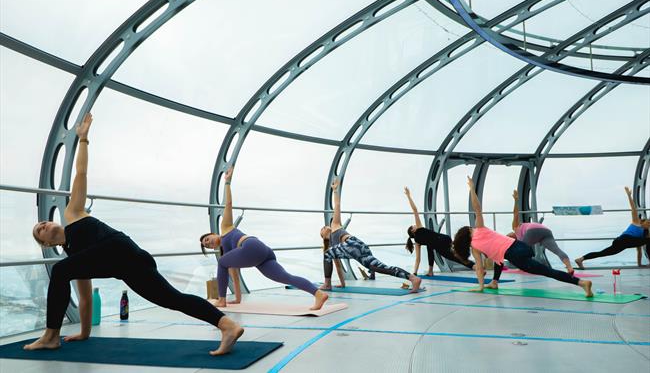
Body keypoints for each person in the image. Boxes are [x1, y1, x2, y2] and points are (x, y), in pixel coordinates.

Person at [27, 113, 243, 355]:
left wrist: (84, 139)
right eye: (39, 230)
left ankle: (50, 336)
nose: (44, 224)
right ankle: (228, 326)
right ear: (45, 243)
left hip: (121, 249)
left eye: (44, 222)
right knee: (173, 299)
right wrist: (85, 333)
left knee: (60, 270)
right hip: (131, 267)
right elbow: (85, 299)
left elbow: (81, 174)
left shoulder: (73, 213)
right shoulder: (75, 260)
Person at [200, 167, 329, 311]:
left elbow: (228, 205)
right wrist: (237, 298)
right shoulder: (228, 255)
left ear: (212, 233)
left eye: (207, 239)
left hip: (251, 246)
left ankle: (221, 300)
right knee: (285, 277)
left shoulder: (225, 228)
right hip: (263, 255)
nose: (209, 243)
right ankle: (318, 294)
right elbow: (235, 275)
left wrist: (227, 182)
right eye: (207, 246)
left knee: (222, 263)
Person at [453, 177, 592, 296]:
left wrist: (480, 286)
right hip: (520, 246)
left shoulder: (475, 248)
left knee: (547, 272)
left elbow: (479, 267)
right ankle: (495, 282)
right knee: (498, 259)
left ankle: (582, 283)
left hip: (515, 254)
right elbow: (477, 208)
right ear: (468, 230)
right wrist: (472, 188)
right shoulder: (480, 229)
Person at [319, 179, 422, 292]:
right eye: (322, 229)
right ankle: (413, 278)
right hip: (361, 247)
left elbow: (337, 205)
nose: (324, 227)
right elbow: (338, 267)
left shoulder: (334, 225)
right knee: (380, 268)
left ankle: (327, 284)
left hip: (352, 243)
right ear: (324, 237)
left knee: (327, 254)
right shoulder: (334, 249)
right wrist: (342, 284)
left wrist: (335, 190)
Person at [403, 186, 476, 275]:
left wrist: (414, 272)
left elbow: (418, 259)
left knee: (453, 256)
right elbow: (415, 210)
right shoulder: (419, 228)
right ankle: (474, 266)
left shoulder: (417, 242)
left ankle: (474, 265)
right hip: (444, 239)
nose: (414, 225)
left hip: (440, 245)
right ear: (413, 230)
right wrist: (409, 196)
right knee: (434, 247)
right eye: (412, 226)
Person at [575, 187, 650, 269]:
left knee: (602, 253)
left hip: (621, 243)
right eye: (648, 222)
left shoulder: (642, 236)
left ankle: (580, 259)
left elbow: (638, 250)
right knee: (648, 240)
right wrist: (629, 195)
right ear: (642, 221)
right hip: (624, 239)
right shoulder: (637, 222)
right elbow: (633, 209)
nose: (649, 224)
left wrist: (639, 264)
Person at [509, 189, 574, 274]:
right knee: (557, 250)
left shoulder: (515, 227)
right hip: (545, 231)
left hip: (533, 230)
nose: (508, 235)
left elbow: (516, 213)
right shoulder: (519, 240)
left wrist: (516, 200)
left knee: (522, 252)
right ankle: (569, 268)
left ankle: (526, 268)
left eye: (508, 235)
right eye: (508, 236)